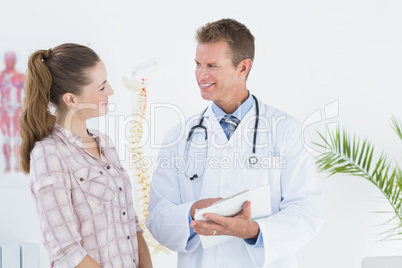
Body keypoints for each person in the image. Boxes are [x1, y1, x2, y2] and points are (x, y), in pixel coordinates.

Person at [146, 19, 324, 268]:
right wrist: (191, 211)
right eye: (197, 64)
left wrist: (253, 231)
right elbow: (157, 218)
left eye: (212, 65)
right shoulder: (178, 136)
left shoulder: (286, 131)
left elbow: (307, 212)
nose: (201, 74)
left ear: (242, 68)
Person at [19, 43, 152, 268]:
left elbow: (131, 225)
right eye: (101, 87)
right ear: (71, 100)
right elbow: (66, 252)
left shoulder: (105, 143)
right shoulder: (49, 154)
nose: (110, 91)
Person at [0, 51, 25, 172]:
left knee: (17, 137)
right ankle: (7, 165)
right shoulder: (1, 76)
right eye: (7, 60)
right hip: (4, 110)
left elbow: (28, 93)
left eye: (11, 60)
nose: (9, 62)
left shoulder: (21, 76)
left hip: (17, 110)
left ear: (14, 61)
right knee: (5, 137)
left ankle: (16, 164)